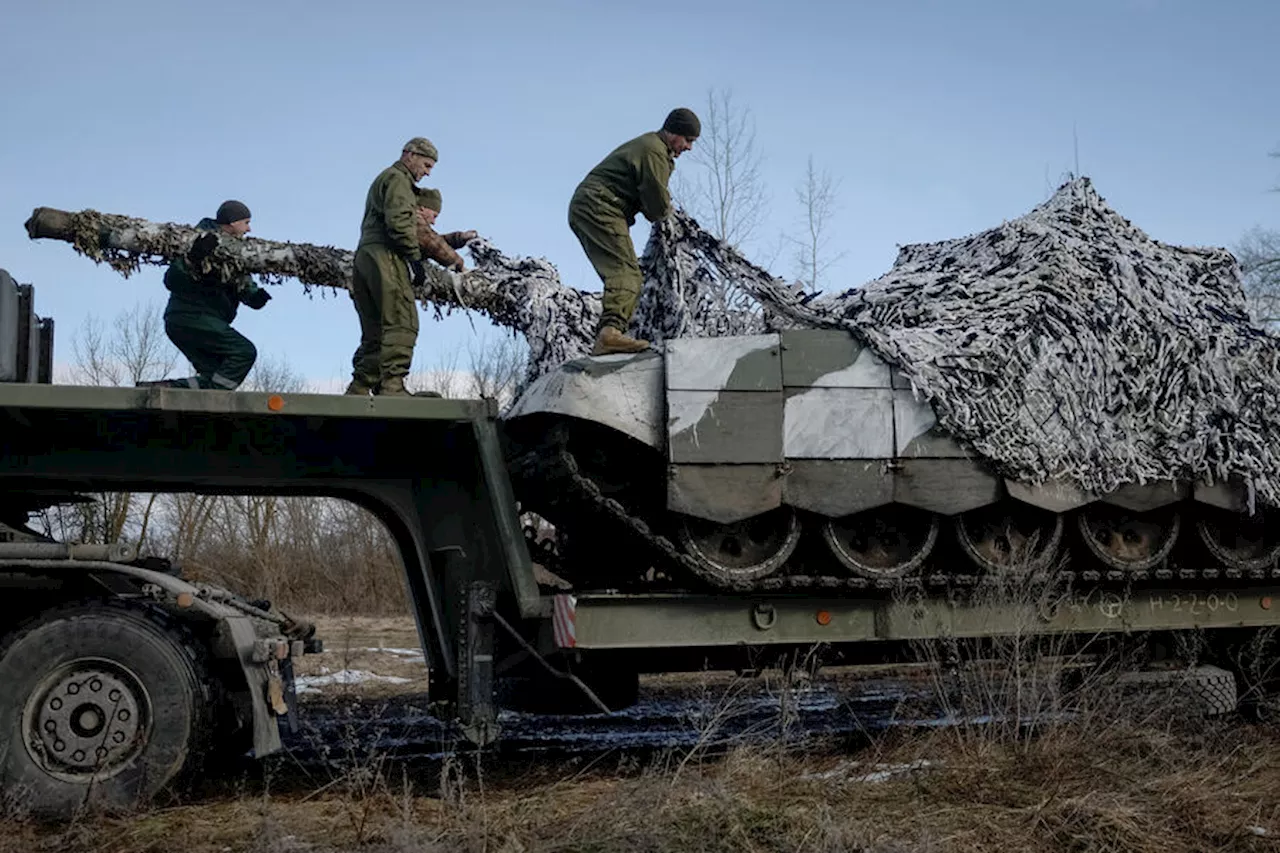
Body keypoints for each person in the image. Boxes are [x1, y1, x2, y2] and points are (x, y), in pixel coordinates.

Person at [568, 107, 700, 355]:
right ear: (674, 133)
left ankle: (610, 331)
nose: (689, 148)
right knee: (626, 272)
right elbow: (656, 204)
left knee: (621, 272)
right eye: (688, 140)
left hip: (592, 204)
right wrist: (671, 218)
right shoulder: (654, 151)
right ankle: (610, 334)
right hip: (600, 205)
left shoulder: (652, 147)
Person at [346, 137, 441, 397]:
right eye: (426, 164)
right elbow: (399, 223)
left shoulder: (384, 178)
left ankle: (361, 386)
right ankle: (392, 386)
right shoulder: (399, 180)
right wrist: (414, 258)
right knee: (401, 320)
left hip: (365, 255)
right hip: (385, 255)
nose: (428, 172)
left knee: (375, 328)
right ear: (409, 155)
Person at [140, 200, 270, 390]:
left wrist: (256, 297)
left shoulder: (236, 255)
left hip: (184, 322)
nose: (249, 229)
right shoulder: (198, 242)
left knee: (214, 374)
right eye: (246, 222)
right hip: (193, 317)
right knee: (243, 352)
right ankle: (216, 397)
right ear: (233, 222)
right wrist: (193, 258)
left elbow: (244, 286)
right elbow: (172, 280)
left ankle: (165, 388)